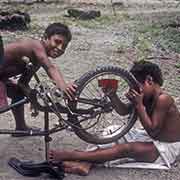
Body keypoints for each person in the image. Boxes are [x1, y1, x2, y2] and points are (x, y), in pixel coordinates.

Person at [48, 60, 180, 175]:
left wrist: (139, 105)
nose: (134, 90)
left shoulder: (164, 99)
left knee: (127, 149)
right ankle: (86, 163)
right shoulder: (145, 96)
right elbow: (123, 111)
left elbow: (153, 130)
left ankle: (74, 155)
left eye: (137, 86)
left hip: (165, 148)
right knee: (112, 131)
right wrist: (113, 95)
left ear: (149, 81)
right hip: (151, 138)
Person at [0, 23, 76, 134]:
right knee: (2, 106)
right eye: (57, 42)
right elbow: (50, 67)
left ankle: (21, 127)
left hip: (2, 77)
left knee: (18, 93)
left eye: (64, 46)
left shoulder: (37, 61)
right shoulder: (35, 46)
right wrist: (63, 85)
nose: (60, 48)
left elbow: (23, 83)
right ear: (45, 37)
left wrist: (33, 99)